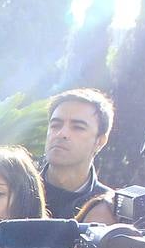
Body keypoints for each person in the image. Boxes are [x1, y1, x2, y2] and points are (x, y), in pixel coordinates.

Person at [40, 89, 114, 220]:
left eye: (78, 127)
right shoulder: (14, 194)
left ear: (100, 141)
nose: (61, 134)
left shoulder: (108, 210)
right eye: (55, 125)